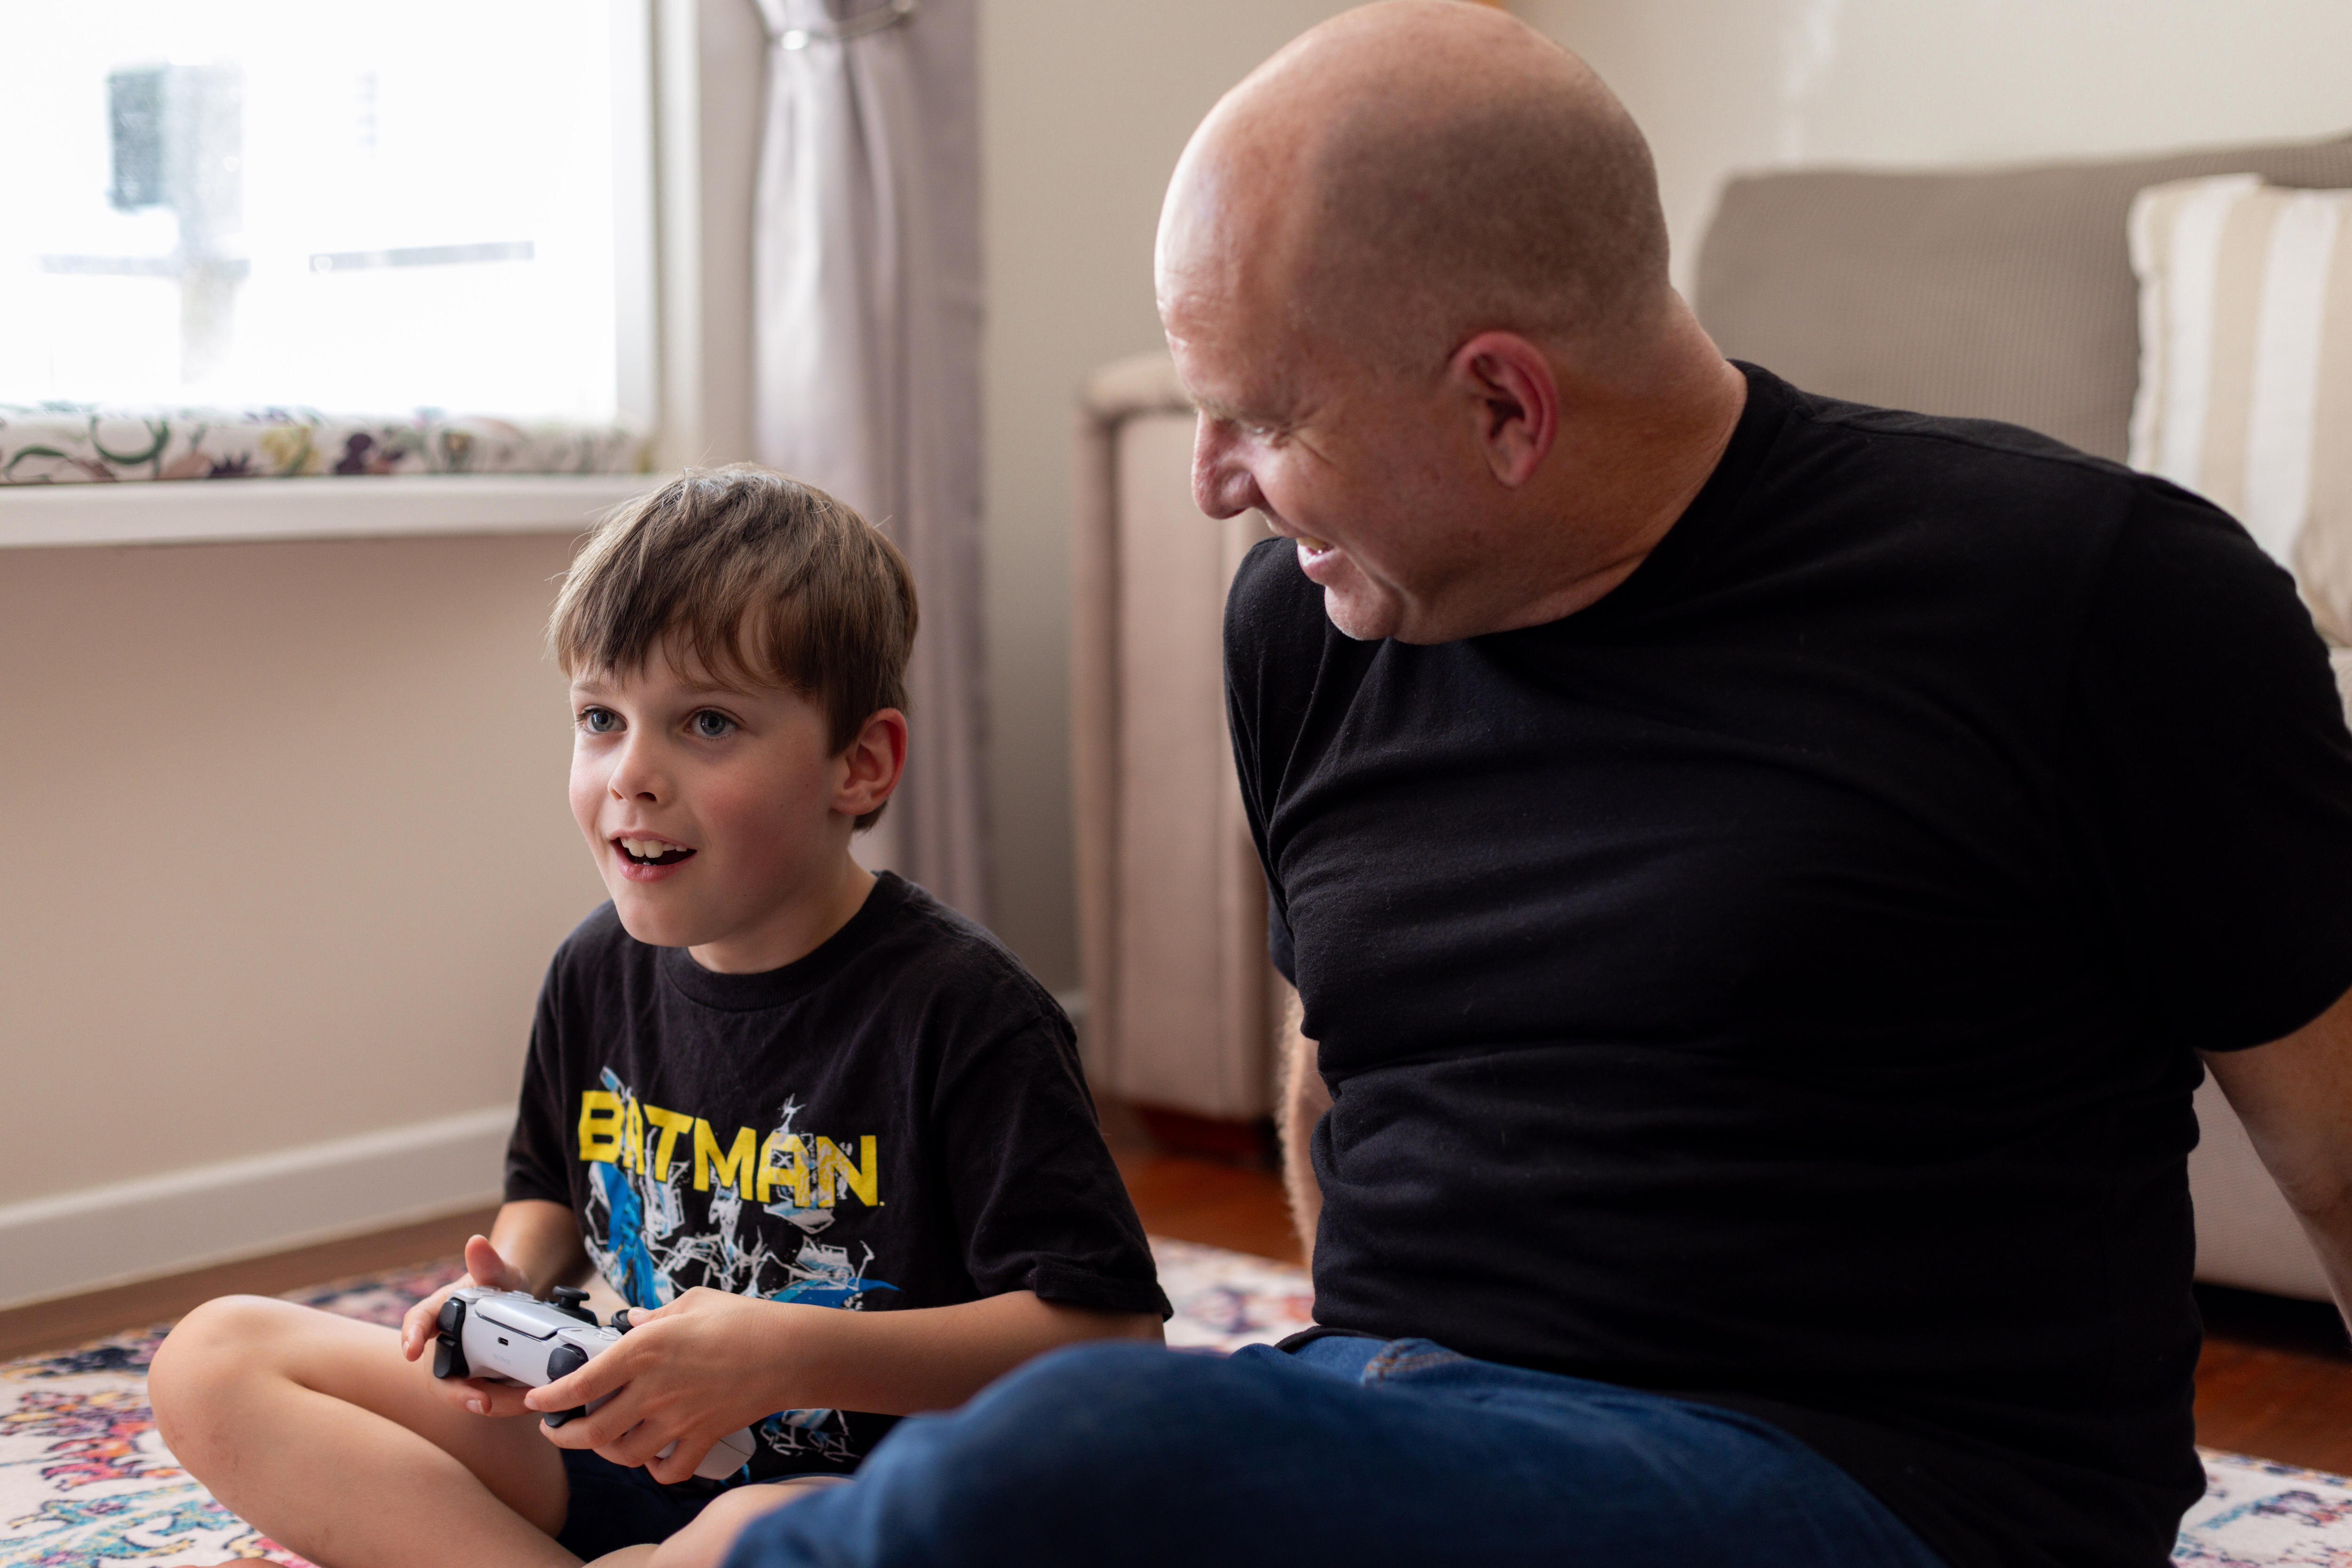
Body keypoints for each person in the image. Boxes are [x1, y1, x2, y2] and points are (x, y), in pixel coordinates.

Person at [707, 6, 2352, 1568]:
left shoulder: (2096, 600)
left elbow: (2341, 1155)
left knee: (1059, 1459)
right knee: (759, 1508)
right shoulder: (1311, 620)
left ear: (1507, 403)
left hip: (1881, 1484)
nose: (1214, 485)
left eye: (1260, 418)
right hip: (1412, 1423)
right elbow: (1338, 1075)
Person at [147, 465, 1168, 1568]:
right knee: (213, 1357)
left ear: (859, 764)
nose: (631, 774)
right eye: (599, 717)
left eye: (708, 722)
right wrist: (507, 1292)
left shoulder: (965, 1013)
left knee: (761, 1523)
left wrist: (790, 1350)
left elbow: (1109, 1336)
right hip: (610, 1439)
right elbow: (551, 1184)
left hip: (864, 1496)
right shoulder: (599, 965)